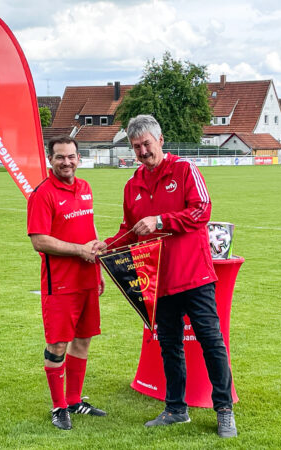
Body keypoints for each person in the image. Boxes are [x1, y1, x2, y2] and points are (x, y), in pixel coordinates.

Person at [102, 115, 237, 438]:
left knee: (211, 342)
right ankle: (176, 409)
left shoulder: (185, 170)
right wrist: (105, 246)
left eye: (147, 144)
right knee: (169, 346)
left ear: (160, 140)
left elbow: (201, 210)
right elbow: (130, 230)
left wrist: (161, 220)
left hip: (194, 275)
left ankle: (224, 410)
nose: (142, 152)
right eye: (136, 147)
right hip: (158, 279)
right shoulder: (132, 184)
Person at [27, 136, 106, 431]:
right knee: (58, 343)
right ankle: (59, 407)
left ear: (79, 158)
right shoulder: (42, 194)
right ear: (51, 160)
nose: (66, 162)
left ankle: (74, 400)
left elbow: (90, 229)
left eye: (71, 156)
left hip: (87, 278)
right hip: (60, 283)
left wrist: (98, 268)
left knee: (83, 339)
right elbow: (39, 241)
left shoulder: (85, 187)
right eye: (60, 157)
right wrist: (78, 250)